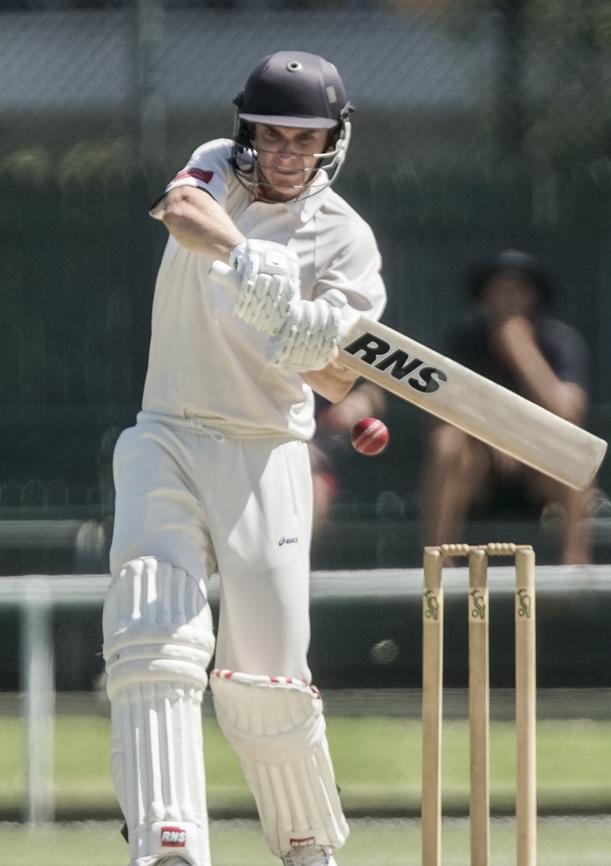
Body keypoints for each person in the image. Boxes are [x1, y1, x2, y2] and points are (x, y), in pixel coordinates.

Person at [102, 51, 386, 866]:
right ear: (247, 131)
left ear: (334, 140)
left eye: (309, 138)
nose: (290, 152)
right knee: (152, 627)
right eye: (275, 133)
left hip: (268, 452)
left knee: (265, 675)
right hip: (169, 432)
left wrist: (300, 321)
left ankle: (305, 843)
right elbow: (181, 208)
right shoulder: (219, 171)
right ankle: (169, 842)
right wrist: (247, 259)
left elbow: (340, 367)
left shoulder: (345, 238)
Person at [420, 249, 594, 564]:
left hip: (538, 468)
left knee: (577, 451)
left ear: (535, 297)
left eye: (519, 289)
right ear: (484, 296)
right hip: (479, 465)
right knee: (446, 441)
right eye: (500, 289)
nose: (510, 297)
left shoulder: (560, 341)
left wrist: (521, 351)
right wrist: (497, 437)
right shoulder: (464, 340)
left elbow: (569, 412)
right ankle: (439, 561)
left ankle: (575, 564)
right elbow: (440, 410)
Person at [310, 381, 386, 535]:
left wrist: (358, 402)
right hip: (276, 447)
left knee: (316, 491)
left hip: (324, 465)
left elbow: (374, 391)